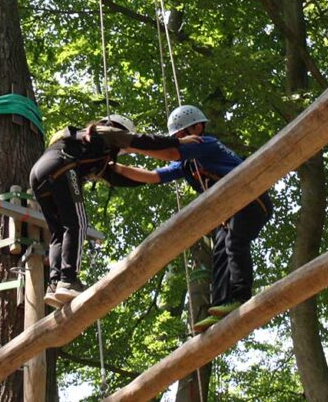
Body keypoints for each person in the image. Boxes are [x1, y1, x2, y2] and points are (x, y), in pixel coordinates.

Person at [110, 104, 272, 333]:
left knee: (235, 242)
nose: (178, 139)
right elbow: (153, 176)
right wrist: (114, 168)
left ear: (197, 127)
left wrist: (131, 144)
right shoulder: (186, 164)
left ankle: (240, 296)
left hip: (251, 199)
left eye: (180, 135)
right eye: (175, 136)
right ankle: (222, 305)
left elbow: (169, 152)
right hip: (231, 210)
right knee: (221, 250)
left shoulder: (207, 143)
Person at [29, 113, 193, 307]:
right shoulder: (104, 132)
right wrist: (179, 143)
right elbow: (142, 141)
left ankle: (55, 284)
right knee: (78, 224)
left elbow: (118, 179)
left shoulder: (91, 151)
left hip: (39, 175)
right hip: (62, 167)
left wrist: (158, 178)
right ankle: (68, 280)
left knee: (59, 231)